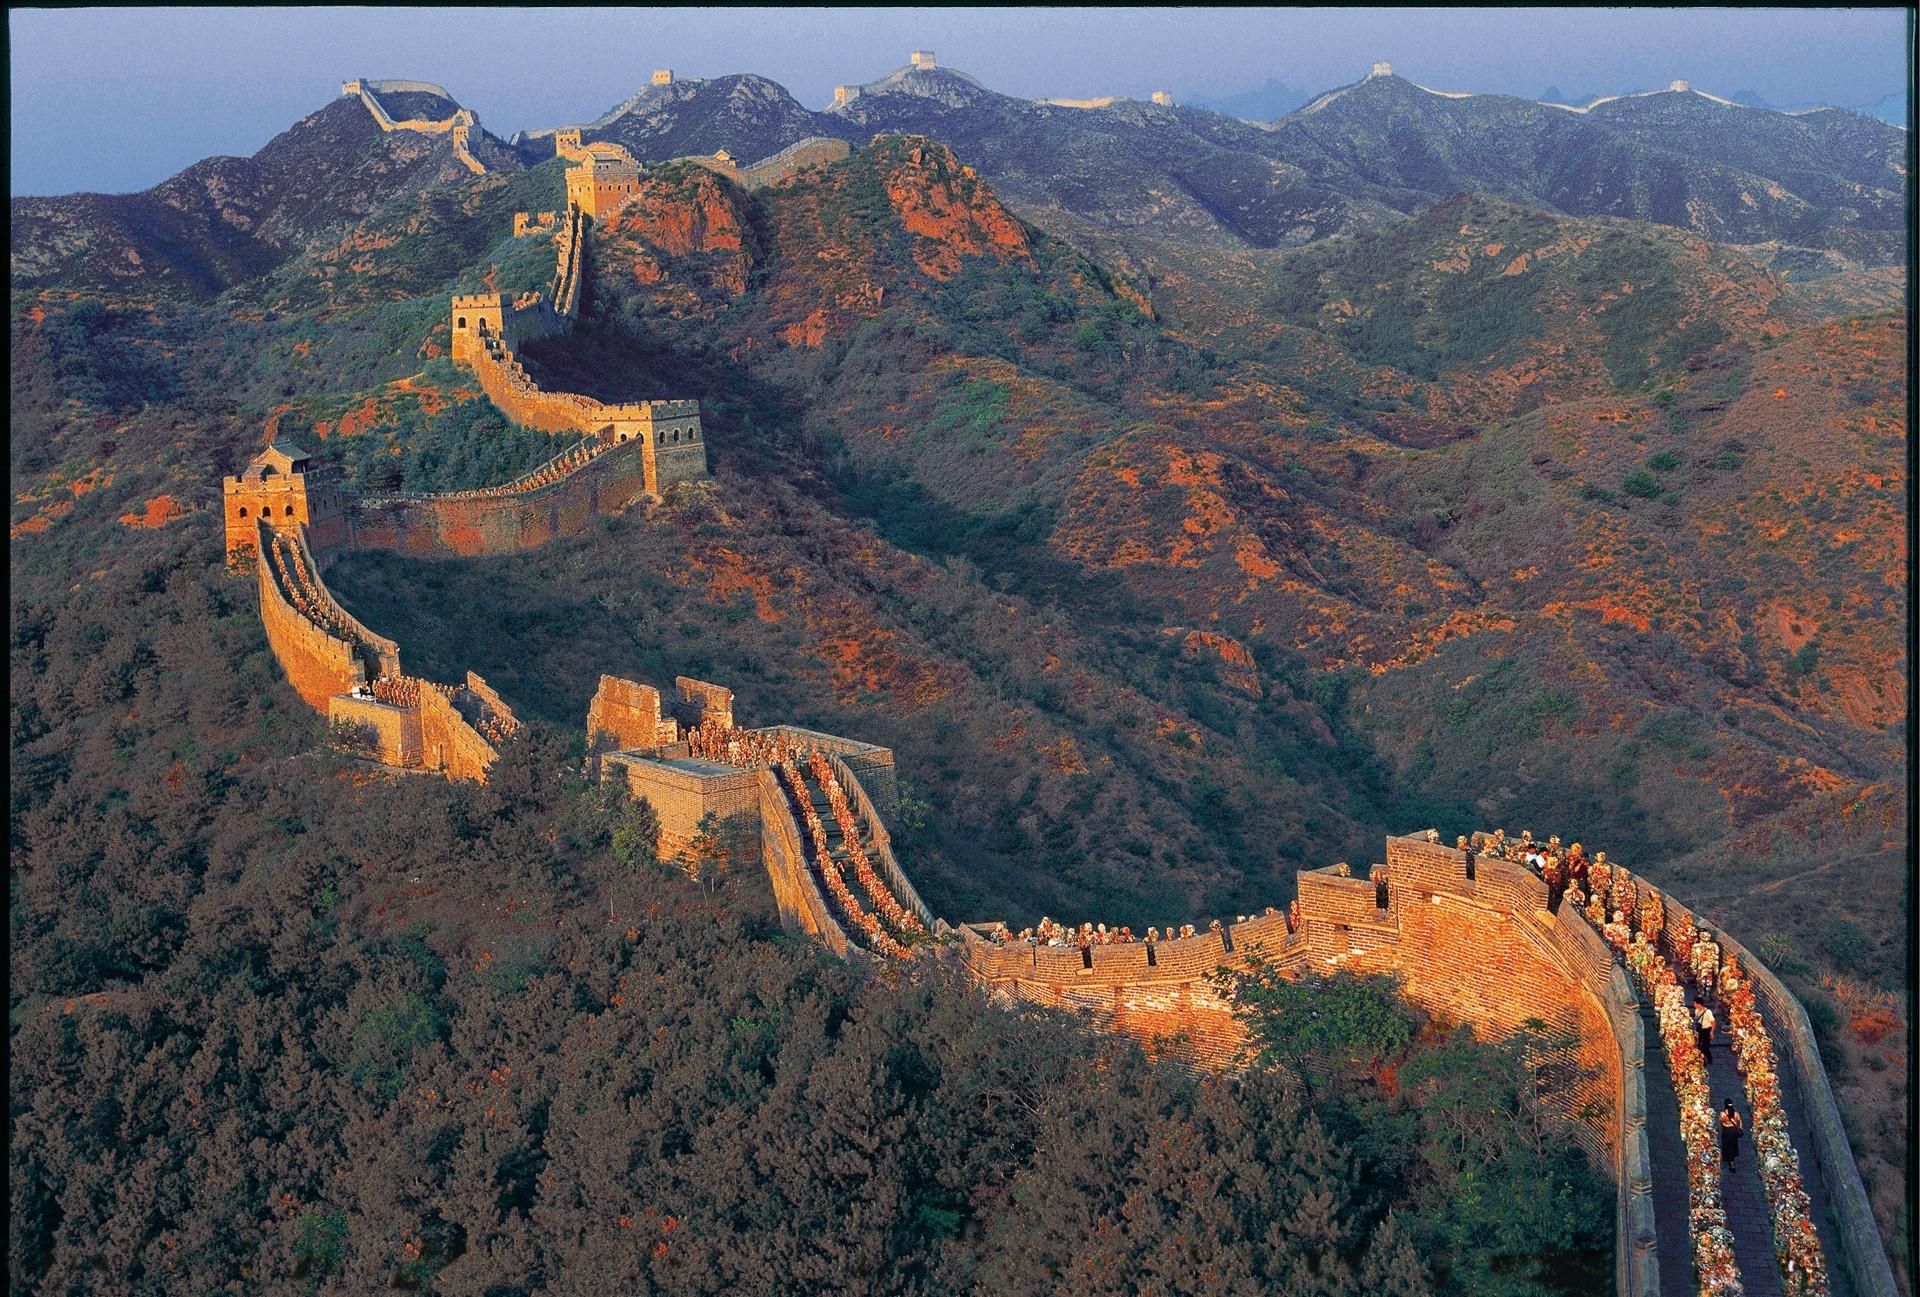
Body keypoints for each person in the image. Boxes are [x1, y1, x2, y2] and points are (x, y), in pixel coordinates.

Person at [1719, 1100, 1744, 1169]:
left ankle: (1729, 1159)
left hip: (1726, 1131)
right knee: (1733, 1145)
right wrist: (1739, 1129)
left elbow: (1721, 1121)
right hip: (1734, 1131)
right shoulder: (1736, 1114)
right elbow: (1739, 1123)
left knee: (1726, 1145)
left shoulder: (1723, 1114)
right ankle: (1731, 1159)